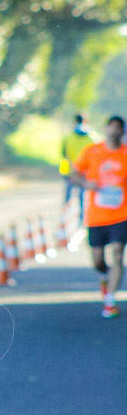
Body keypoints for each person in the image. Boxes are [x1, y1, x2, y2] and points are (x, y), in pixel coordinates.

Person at [71, 115, 127, 318]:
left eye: (117, 127)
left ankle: (110, 301)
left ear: (122, 131)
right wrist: (86, 184)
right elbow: (73, 174)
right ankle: (104, 274)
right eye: (110, 126)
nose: (113, 130)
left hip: (121, 214)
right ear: (106, 129)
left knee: (119, 254)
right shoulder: (93, 151)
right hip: (96, 216)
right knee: (97, 260)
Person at [60, 113, 92, 226]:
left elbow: (64, 155)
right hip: (82, 173)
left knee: (70, 196)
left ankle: (65, 219)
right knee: (81, 197)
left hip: (72, 172)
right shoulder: (91, 138)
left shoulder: (68, 137)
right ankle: (80, 220)